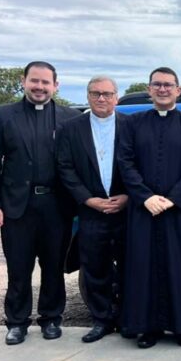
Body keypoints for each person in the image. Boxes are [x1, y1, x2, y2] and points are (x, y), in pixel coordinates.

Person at [118, 67, 181, 348]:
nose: (163, 89)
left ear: (178, 90)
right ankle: (147, 328)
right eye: (157, 85)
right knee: (144, 267)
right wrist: (146, 197)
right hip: (144, 209)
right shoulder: (133, 123)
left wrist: (174, 198)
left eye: (168, 85)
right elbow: (125, 162)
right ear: (149, 89)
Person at [0, 61, 81, 345]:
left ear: (55, 86)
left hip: (56, 206)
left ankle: (51, 318)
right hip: (17, 206)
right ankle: (16, 322)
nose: (40, 87)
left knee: (53, 267)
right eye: (34, 81)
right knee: (18, 268)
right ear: (23, 82)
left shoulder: (71, 118)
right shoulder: (3, 115)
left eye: (45, 82)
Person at [56, 76, 128, 343]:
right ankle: (102, 320)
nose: (101, 98)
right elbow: (64, 167)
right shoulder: (70, 129)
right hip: (91, 210)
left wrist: (129, 196)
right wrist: (87, 199)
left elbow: (142, 164)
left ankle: (129, 319)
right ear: (87, 96)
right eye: (96, 93)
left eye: (107, 94)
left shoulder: (131, 125)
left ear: (116, 97)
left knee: (131, 267)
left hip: (127, 209)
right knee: (95, 268)